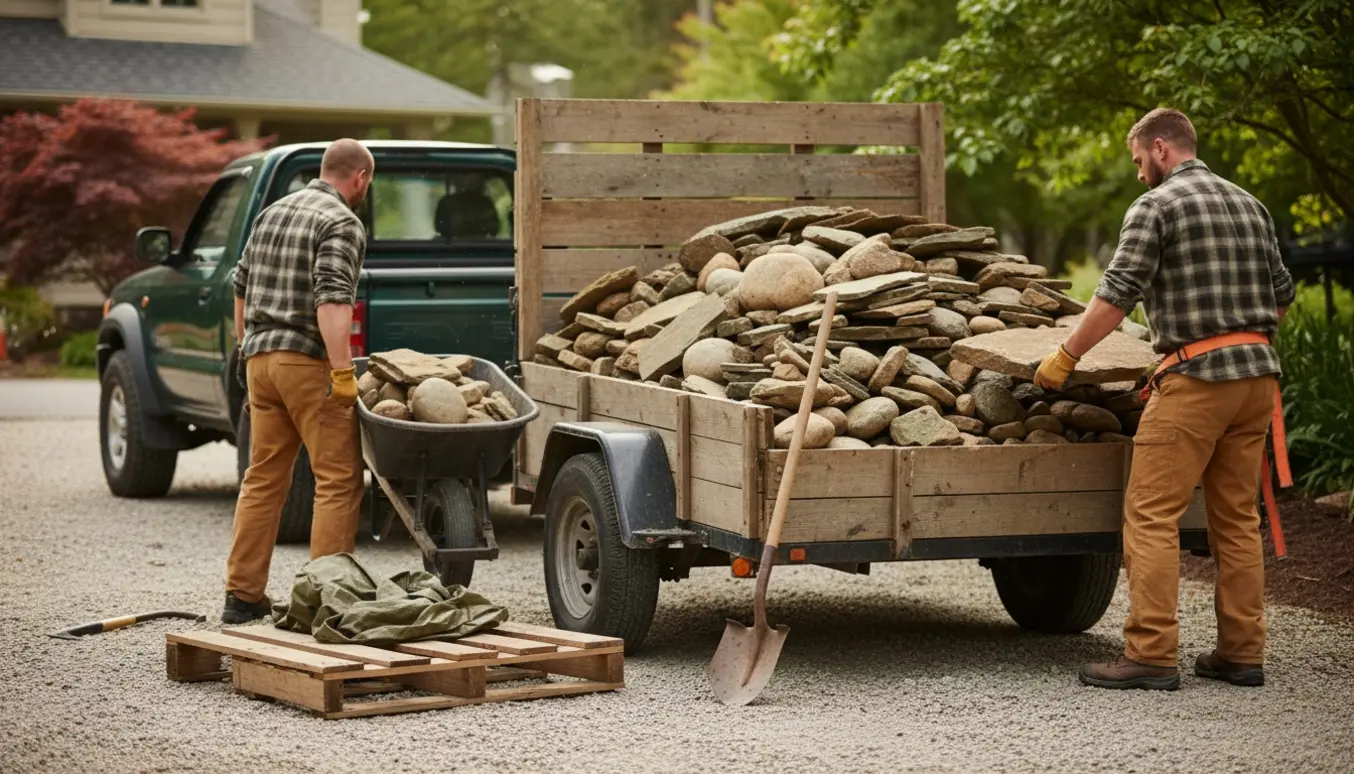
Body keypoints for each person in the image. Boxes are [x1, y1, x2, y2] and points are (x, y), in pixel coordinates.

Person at [1033, 108, 1294, 691]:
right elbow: (1282, 295)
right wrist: (1243, 337)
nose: (1137, 175)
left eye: (1137, 161)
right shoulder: (1250, 204)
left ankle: (1150, 654)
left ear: (1160, 147)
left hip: (1196, 381)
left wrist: (1066, 355)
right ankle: (1242, 654)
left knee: (1150, 515)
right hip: (1257, 382)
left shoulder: (1156, 206)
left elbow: (1116, 295)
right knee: (1236, 522)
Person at [222, 139, 375, 624]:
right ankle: (324, 603)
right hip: (306, 363)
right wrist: (342, 372)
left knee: (263, 479)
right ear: (361, 178)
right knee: (338, 479)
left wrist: (246, 350)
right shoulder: (341, 222)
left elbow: (239, 288)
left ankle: (242, 597)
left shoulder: (273, 212)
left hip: (260, 362)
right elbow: (332, 303)